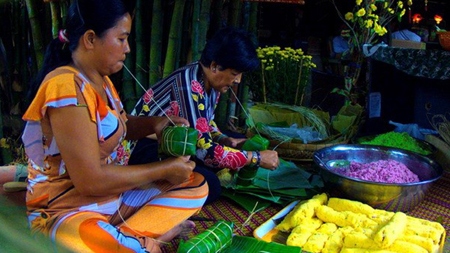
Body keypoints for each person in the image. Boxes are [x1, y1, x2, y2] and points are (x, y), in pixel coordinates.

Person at [21, 0, 208, 252]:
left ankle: (129, 239)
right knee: (100, 241)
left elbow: (121, 125)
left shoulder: (102, 81)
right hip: (65, 213)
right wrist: (162, 169)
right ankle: (141, 241)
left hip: (112, 202)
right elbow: (90, 181)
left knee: (197, 185)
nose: (128, 48)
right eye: (121, 39)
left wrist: (157, 123)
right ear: (90, 39)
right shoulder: (65, 87)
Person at [127, 27, 279, 204]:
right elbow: (206, 152)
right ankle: (146, 195)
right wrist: (257, 158)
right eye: (235, 74)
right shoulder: (187, 87)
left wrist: (223, 139)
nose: (237, 80)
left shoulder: (209, 79)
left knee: (236, 139)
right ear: (214, 66)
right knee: (211, 184)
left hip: (181, 144)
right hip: (144, 148)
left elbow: (204, 122)